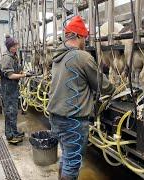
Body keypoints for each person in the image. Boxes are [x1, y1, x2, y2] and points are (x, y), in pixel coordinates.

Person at [47, 16, 115, 180]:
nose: (85, 41)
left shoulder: (58, 56)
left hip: (56, 117)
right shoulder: (82, 57)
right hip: (73, 120)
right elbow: (103, 86)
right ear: (78, 36)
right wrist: (114, 87)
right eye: (84, 37)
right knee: (72, 162)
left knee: (66, 157)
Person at [0, 35, 26, 144]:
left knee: (14, 112)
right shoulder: (7, 58)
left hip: (13, 88)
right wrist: (24, 75)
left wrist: (20, 72)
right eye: (14, 46)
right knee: (10, 112)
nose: (16, 47)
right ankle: (10, 136)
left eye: (16, 45)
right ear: (10, 47)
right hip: (8, 89)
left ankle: (14, 132)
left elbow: (15, 71)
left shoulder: (13, 56)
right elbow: (10, 75)